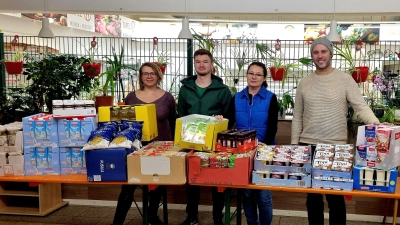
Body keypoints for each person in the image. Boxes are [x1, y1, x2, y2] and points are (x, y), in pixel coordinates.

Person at [291, 37, 379, 225]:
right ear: (312, 55)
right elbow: (297, 116)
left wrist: (376, 124)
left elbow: (360, 107)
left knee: (336, 198)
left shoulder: (345, 80)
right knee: (313, 198)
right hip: (309, 145)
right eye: (316, 52)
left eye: (323, 51)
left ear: (331, 53)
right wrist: (294, 146)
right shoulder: (304, 83)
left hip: (336, 147)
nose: (320, 55)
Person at [112, 62, 177, 225]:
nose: (149, 76)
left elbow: (173, 122)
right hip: (136, 148)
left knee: (156, 186)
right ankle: (117, 222)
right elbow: (123, 122)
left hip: (161, 148)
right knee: (129, 186)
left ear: (158, 75)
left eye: (152, 73)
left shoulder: (168, 97)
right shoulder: (131, 97)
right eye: (145, 73)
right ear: (140, 76)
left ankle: (152, 216)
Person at [178, 49, 232, 225]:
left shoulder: (223, 90)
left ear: (211, 65)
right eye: (198, 61)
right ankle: (191, 217)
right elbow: (180, 116)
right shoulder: (185, 90)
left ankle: (218, 217)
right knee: (192, 181)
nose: (201, 65)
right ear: (194, 64)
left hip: (216, 144)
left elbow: (230, 120)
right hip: (191, 143)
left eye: (205, 61)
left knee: (217, 181)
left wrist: (221, 120)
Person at [222, 61, 278, 225]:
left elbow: (273, 127)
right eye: (251, 73)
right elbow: (229, 122)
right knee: (246, 193)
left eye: (258, 74)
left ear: (264, 78)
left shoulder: (270, 98)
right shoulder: (236, 98)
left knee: (263, 195)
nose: (254, 77)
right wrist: (220, 120)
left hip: (264, 152)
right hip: (242, 152)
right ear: (246, 75)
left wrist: (264, 144)